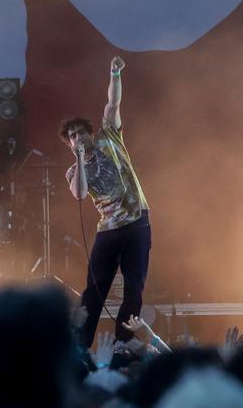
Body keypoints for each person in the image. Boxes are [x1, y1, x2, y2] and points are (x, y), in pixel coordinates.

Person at [62, 56, 150, 348]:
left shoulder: (108, 136)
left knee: (134, 288)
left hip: (136, 222)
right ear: (70, 144)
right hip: (108, 229)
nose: (78, 138)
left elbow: (112, 105)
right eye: (72, 137)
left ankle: (124, 344)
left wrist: (114, 74)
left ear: (89, 133)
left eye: (80, 133)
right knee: (94, 290)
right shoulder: (74, 170)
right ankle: (81, 346)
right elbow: (80, 194)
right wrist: (79, 160)